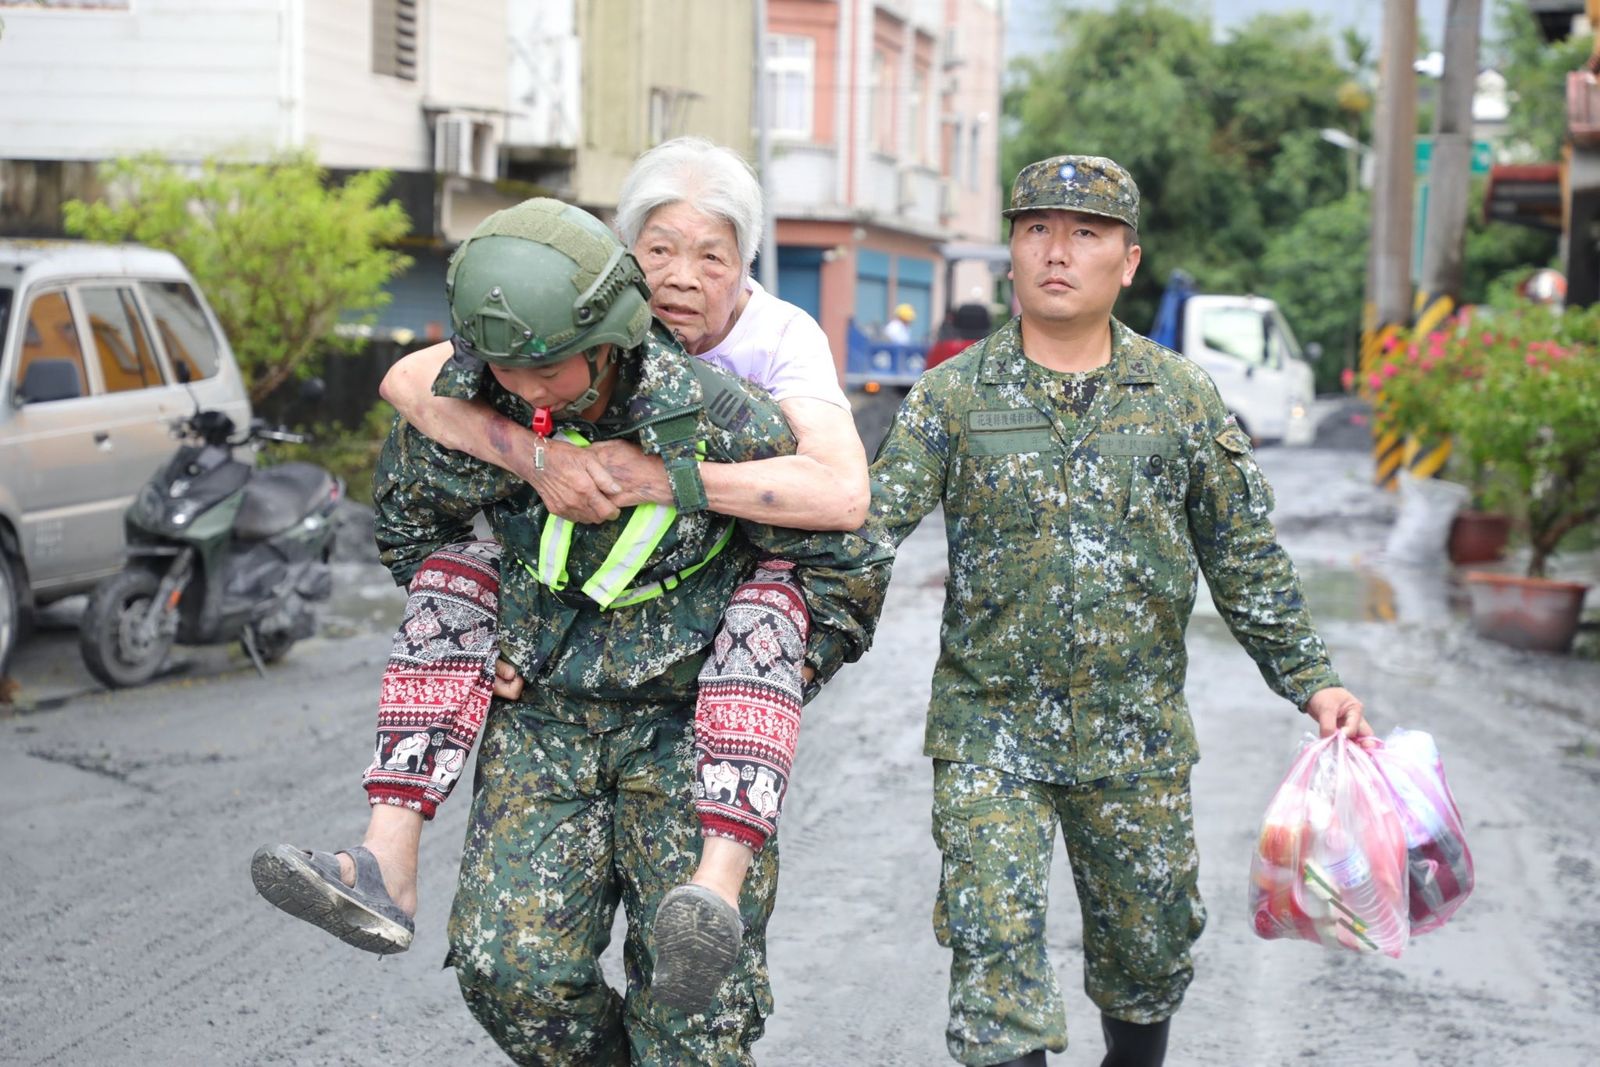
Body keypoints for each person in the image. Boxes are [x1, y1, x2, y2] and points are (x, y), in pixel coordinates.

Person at [251, 139, 871, 1016]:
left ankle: (716, 884)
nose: (682, 278)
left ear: (745, 270)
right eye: (658, 250)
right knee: (456, 575)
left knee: (697, 1007)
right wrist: (535, 455)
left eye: (711, 256)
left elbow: (844, 500)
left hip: (702, 673)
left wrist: (663, 476)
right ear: (620, 267)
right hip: (552, 678)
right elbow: (412, 386)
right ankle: (385, 857)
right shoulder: (550, 328)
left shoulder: (768, 356)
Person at [867, 154, 1371, 1067]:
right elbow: (863, 542)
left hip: (1134, 735)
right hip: (990, 732)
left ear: (1127, 261)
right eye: (1037, 230)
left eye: (1085, 233)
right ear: (1011, 254)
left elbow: (1243, 556)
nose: (1057, 252)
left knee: (1148, 953)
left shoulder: (1180, 398)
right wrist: (779, 657)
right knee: (993, 956)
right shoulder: (952, 397)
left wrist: (1314, 682)